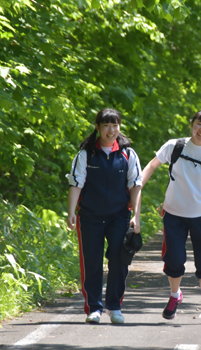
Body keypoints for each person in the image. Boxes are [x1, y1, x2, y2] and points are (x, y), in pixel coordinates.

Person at [141, 110, 201, 325]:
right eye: (199, 124)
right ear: (192, 125)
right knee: (173, 260)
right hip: (173, 214)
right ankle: (175, 296)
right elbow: (152, 165)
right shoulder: (175, 147)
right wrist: (136, 189)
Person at [66, 108, 143, 324]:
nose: (111, 130)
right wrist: (71, 212)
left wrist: (136, 215)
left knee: (119, 260)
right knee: (92, 262)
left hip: (119, 216)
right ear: (97, 127)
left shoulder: (128, 154)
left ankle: (115, 307)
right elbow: (76, 183)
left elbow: (136, 185)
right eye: (106, 125)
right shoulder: (85, 154)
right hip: (90, 217)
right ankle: (94, 308)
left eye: (115, 125)